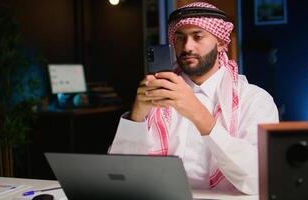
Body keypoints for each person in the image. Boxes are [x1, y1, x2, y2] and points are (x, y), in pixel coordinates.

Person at [109, 1, 279, 195]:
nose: (187, 46)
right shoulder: (157, 94)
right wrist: (136, 118)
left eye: (198, 36)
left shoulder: (255, 100)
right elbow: (119, 174)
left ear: (222, 42)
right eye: (180, 38)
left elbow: (258, 180)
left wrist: (198, 113)